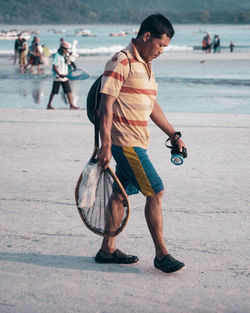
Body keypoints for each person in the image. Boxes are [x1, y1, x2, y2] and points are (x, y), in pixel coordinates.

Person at [95, 14, 186, 273]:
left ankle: (107, 250)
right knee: (155, 191)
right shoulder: (121, 60)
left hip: (139, 141)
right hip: (126, 143)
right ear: (146, 36)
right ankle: (161, 254)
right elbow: (106, 104)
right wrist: (105, 145)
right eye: (160, 45)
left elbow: (150, 104)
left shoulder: (145, 64)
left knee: (119, 195)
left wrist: (173, 134)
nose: (161, 51)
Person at [47, 41, 79, 110]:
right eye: (65, 49)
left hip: (65, 77)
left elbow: (68, 62)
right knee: (54, 92)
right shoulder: (57, 55)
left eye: (67, 49)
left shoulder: (66, 55)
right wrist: (59, 74)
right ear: (61, 48)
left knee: (69, 91)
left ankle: (71, 105)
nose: (66, 50)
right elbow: (54, 66)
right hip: (58, 77)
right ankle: (49, 105)